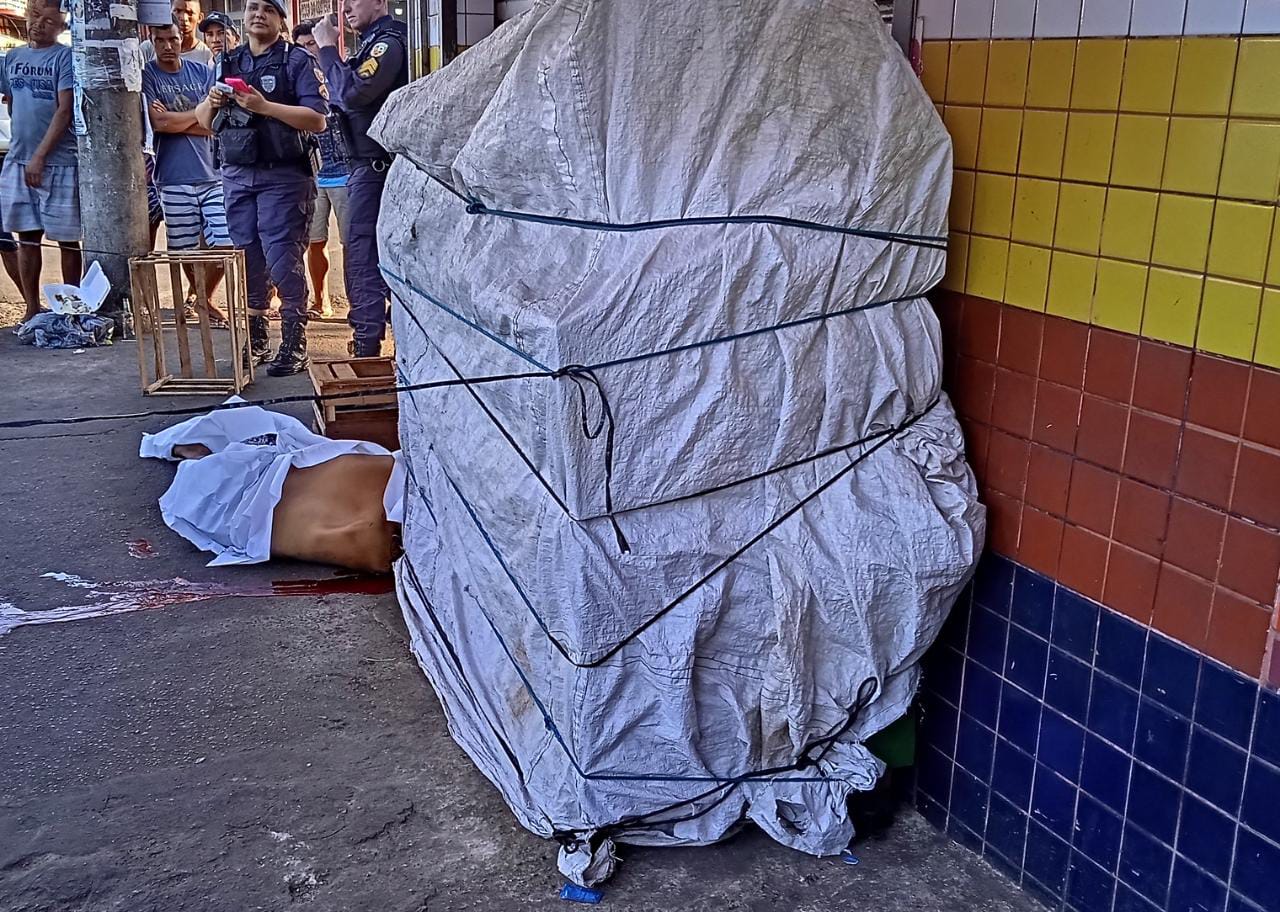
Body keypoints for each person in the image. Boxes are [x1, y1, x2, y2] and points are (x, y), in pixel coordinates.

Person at [195, 0, 329, 375]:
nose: (257, 14)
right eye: (252, 7)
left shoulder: (296, 61)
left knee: (283, 259)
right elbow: (205, 121)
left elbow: (317, 120)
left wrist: (264, 105)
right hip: (237, 175)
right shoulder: (227, 61)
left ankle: (293, 340)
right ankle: (256, 339)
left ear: (281, 20)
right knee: (248, 258)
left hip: (284, 176)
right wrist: (212, 99)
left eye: (268, 9)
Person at [141, 402, 404, 573]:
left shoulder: (211, 468)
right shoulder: (204, 474)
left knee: (364, 486)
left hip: (286, 483)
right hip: (274, 490)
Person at [313, 0, 407, 357]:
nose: (347, 7)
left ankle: (367, 347)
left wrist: (325, 48)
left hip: (377, 168)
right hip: (368, 166)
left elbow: (352, 94)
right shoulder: (371, 41)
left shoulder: (388, 41)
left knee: (363, 255)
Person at [144, 20, 233, 324]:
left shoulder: (201, 71)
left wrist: (177, 119)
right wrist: (197, 116)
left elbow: (215, 122)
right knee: (184, 251)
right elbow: (159, 125)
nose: (168, 46)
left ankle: (201, 298)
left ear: (182, 38)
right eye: (161, 40)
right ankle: (203, 302)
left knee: (226, 244)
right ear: (151, 40)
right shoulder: (148, 76)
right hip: (172, 176)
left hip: (213, 173)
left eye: (173, 39)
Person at [0, 0, 80, 322]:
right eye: (36, 17)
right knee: (26, 237)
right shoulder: (12, 57)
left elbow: (64, 111)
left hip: (58, 161)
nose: (39, 25)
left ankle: (72, 307)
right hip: (18, 159)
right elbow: (11, 100)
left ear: (61, 27)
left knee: (67, 239)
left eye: (49, 21)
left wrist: (40, 156)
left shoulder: (64, 57)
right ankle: (32, 307)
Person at [293, 20, 350, 319]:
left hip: (346, 172)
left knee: (352, 243)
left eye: (312, 44)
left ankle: (359, 304)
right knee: (314, 243)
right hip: (313, 174)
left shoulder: (340, 71)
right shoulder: (296, 81)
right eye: (301, 47)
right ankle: (320, 300)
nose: (308, 51)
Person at [141, 0, 213, 66]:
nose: (184, 18)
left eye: (190, 13)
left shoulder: (206, 55)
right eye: (178, 11)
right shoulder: (148, 48)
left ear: (200, 17)